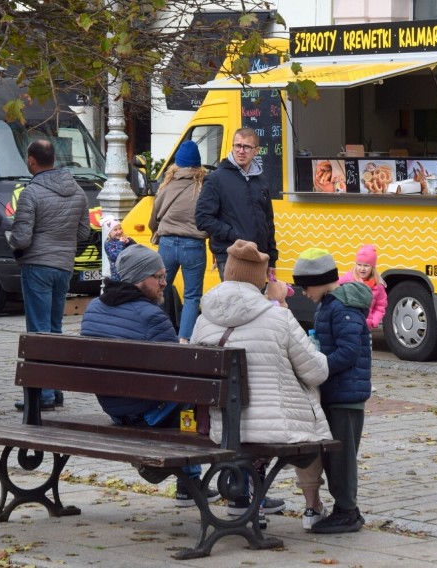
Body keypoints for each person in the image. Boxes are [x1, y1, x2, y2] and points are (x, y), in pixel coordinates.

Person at [190, 240, 330, 529]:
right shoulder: (278, 316)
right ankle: (312, 505)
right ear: (262, 279)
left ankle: (245, 498)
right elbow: (316, 372)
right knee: (314, 405)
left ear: (227, 273)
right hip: (274, 428)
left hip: (221, 428)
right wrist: (280, 304)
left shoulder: (204, 318)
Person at [80, 244, 219, 506]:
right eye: (159, 277)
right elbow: (180, 369)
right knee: (201, 392)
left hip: (113, 407)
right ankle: (190, 483)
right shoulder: (152, 316)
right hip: (145, 412)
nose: (165, 283)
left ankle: (188, 484)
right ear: (140, 279)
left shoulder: (94, 307)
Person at [292, 247, 372, 534]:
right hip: (336, 392)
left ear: (320, 280)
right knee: (334, 457)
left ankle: (347, 510)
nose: (303, 292)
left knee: (342, 458)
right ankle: (345, 508)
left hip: (345, 396)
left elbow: (349, 352)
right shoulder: (329, 304)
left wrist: (320, 367)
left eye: (305, 286)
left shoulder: (342, 306)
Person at [9, 139, 90, 410]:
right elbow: (83, 233)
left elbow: (21, 239)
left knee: (39, 330)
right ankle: (54, 390)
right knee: (55, 329)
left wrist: (11, 240)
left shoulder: (31, 193)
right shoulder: (77, 191)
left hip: (38, 266)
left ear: (32, 160)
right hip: (63, 266)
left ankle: (42, 395)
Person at [195, 128, 278, 280]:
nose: (241, 151)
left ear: (256, 151)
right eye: (237, 146)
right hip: (230, 255)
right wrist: (235, 234)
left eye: (247, 147)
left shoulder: (261, 182)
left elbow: (268, 222)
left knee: (255, 303)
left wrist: (272, 258)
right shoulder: (216, 179)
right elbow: (202, 218)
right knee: (234, 303)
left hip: (257, 256)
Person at [149, 140, 208, 343]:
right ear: (198, 165)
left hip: (166, 243)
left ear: (178, 163)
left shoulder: (168, 185)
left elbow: (154, 216)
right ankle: (184, 340)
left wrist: (155, 231)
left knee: (158, 290)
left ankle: (156, 335)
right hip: (194, 245)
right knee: (192, 296)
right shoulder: (204, 187)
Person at [338, 244, 387, 330]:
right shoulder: (349, 278)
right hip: (349, 325)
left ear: (372, 267)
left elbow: (380, 307)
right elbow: (334, 286)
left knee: (366, 344)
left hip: (365, 328)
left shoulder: (378, 286)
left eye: (366, 265)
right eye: (359, 264)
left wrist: (373, 322)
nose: (362, 269)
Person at [101, 216, 135, 282]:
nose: (119, 231)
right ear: (109, 233)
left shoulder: (123, 240)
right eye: (115, 230)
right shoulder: (108, 243)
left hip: (129, 273)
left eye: (120, 228)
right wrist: (121, 243)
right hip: (118, 276)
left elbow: (136, 250)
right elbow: (115, 256)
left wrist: (130, 242)